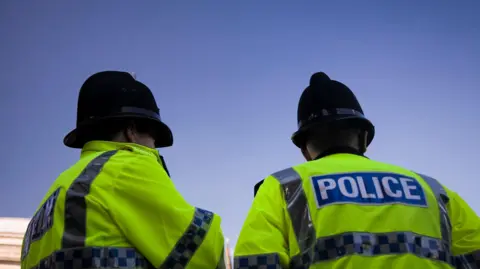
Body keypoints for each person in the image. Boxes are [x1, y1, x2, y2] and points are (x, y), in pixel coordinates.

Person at [234, 72, 480, 269]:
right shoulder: (434, 191)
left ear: (304, 150)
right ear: (364, 138)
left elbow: (256, 263)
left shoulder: (282, 187)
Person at [21, 71, 226, 269]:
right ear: (132, 132)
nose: (154, 149)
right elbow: (201, 253)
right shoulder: (125, 166)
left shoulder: (57, 192)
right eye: (154, 140)